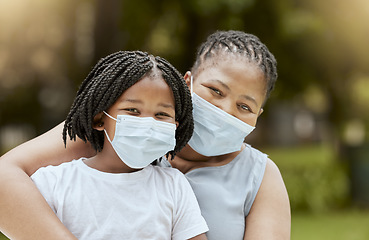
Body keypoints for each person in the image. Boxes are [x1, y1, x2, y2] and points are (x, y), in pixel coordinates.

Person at [0, 30, 290, 240]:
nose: (226, 110)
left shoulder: (260, 175)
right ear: (187, 81)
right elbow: (5, 176)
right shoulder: (116, 129)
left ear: (258, 115)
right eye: (215, 90)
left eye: (244, 106)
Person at [3, 50, 209, 240]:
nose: (148, 123)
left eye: (161, 114)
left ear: (175, 126)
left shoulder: (173, 186)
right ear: (99, 119)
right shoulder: (53, 182)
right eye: (133, 110)